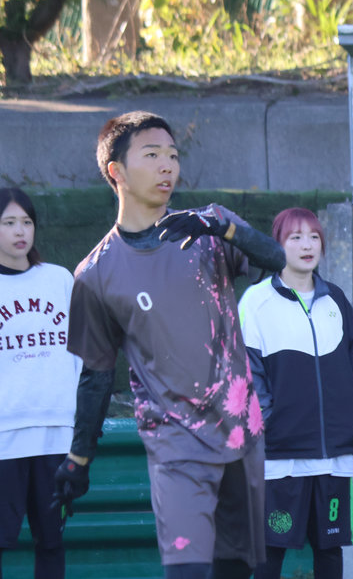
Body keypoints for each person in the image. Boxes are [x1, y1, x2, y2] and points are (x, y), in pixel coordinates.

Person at [51, 111, 286, 579]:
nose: (168, 166)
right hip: (175, 445)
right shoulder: (94, 274)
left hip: (242, 435)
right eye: (153, 155)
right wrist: (79, 459)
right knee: (187, 572)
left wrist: (223, 228)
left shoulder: (208, 228)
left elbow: (277, 258)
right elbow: (97, 375)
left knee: (237, 572)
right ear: (116, 171)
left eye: (174, 156)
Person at [238, 207, 353, 579]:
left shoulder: (336, 300)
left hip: (333, 457)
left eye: (314, 237)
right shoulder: (256, 301)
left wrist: (352, 412)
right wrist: (272, 423)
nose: (307, 245)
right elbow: (247, 374)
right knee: (270, 552)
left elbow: (352, 366)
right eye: (295, 237)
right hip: (281, 458)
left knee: (330, 551)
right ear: (277, 245)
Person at [0, 188, 82, 579]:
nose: (21, 231)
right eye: (9, 222)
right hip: (5, 437)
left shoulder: (59, 280)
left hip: (55, 435)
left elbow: (82, 352)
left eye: (27, 222)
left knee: (51, 543)